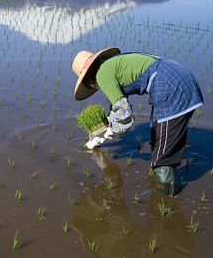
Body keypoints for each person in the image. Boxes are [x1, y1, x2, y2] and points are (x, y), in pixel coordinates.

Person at [72, 48, 204, 195]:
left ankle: (167, 198)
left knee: (163, 156)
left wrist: (109, 132)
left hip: (171, 87)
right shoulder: (110, 66)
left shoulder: (102, 75)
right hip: (177, 77)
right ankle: (161, 179)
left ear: (89, 78)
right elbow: (117, 106)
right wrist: (107, 126)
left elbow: (124, 114)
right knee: (158, 136)